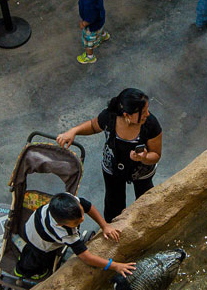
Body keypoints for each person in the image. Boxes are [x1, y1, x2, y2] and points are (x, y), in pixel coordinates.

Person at [56, 88, 163, 223]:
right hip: (112, 167)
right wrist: (74, 131)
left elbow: (156, 154)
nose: (147, 114)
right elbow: (94, 126)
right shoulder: (110, 117)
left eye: (147, 109)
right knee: (113, 204)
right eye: (143, 112)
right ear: (127, 115)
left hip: (141, 171)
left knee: (146, 202)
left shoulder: (151, 124)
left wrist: (144, 158)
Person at [16, 192, 133, 283]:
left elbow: (88, 206)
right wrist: (115, 266)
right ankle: (22, 271)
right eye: (76, 222)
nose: (82, 219)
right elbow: (86, 258)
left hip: (35, 221)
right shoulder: (66, 234)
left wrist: (105, 226)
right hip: (39, 242)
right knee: (35, 260)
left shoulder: (71, 201)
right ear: (61, 224)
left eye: (81, 213)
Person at [77, 0, 108, 65]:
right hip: (100, 20)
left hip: (92, 27)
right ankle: (103, 36)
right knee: (100, 29)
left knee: (88, 42)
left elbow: (90, 19)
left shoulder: (89, 5)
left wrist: (83, 24)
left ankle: (89, 56)